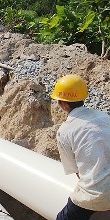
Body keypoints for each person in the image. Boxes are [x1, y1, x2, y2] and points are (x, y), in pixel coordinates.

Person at [50, 74, 110, 220]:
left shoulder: (64, 132)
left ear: (63, 104)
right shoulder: (105, 117)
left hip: (95, 195)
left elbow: (77, 172)